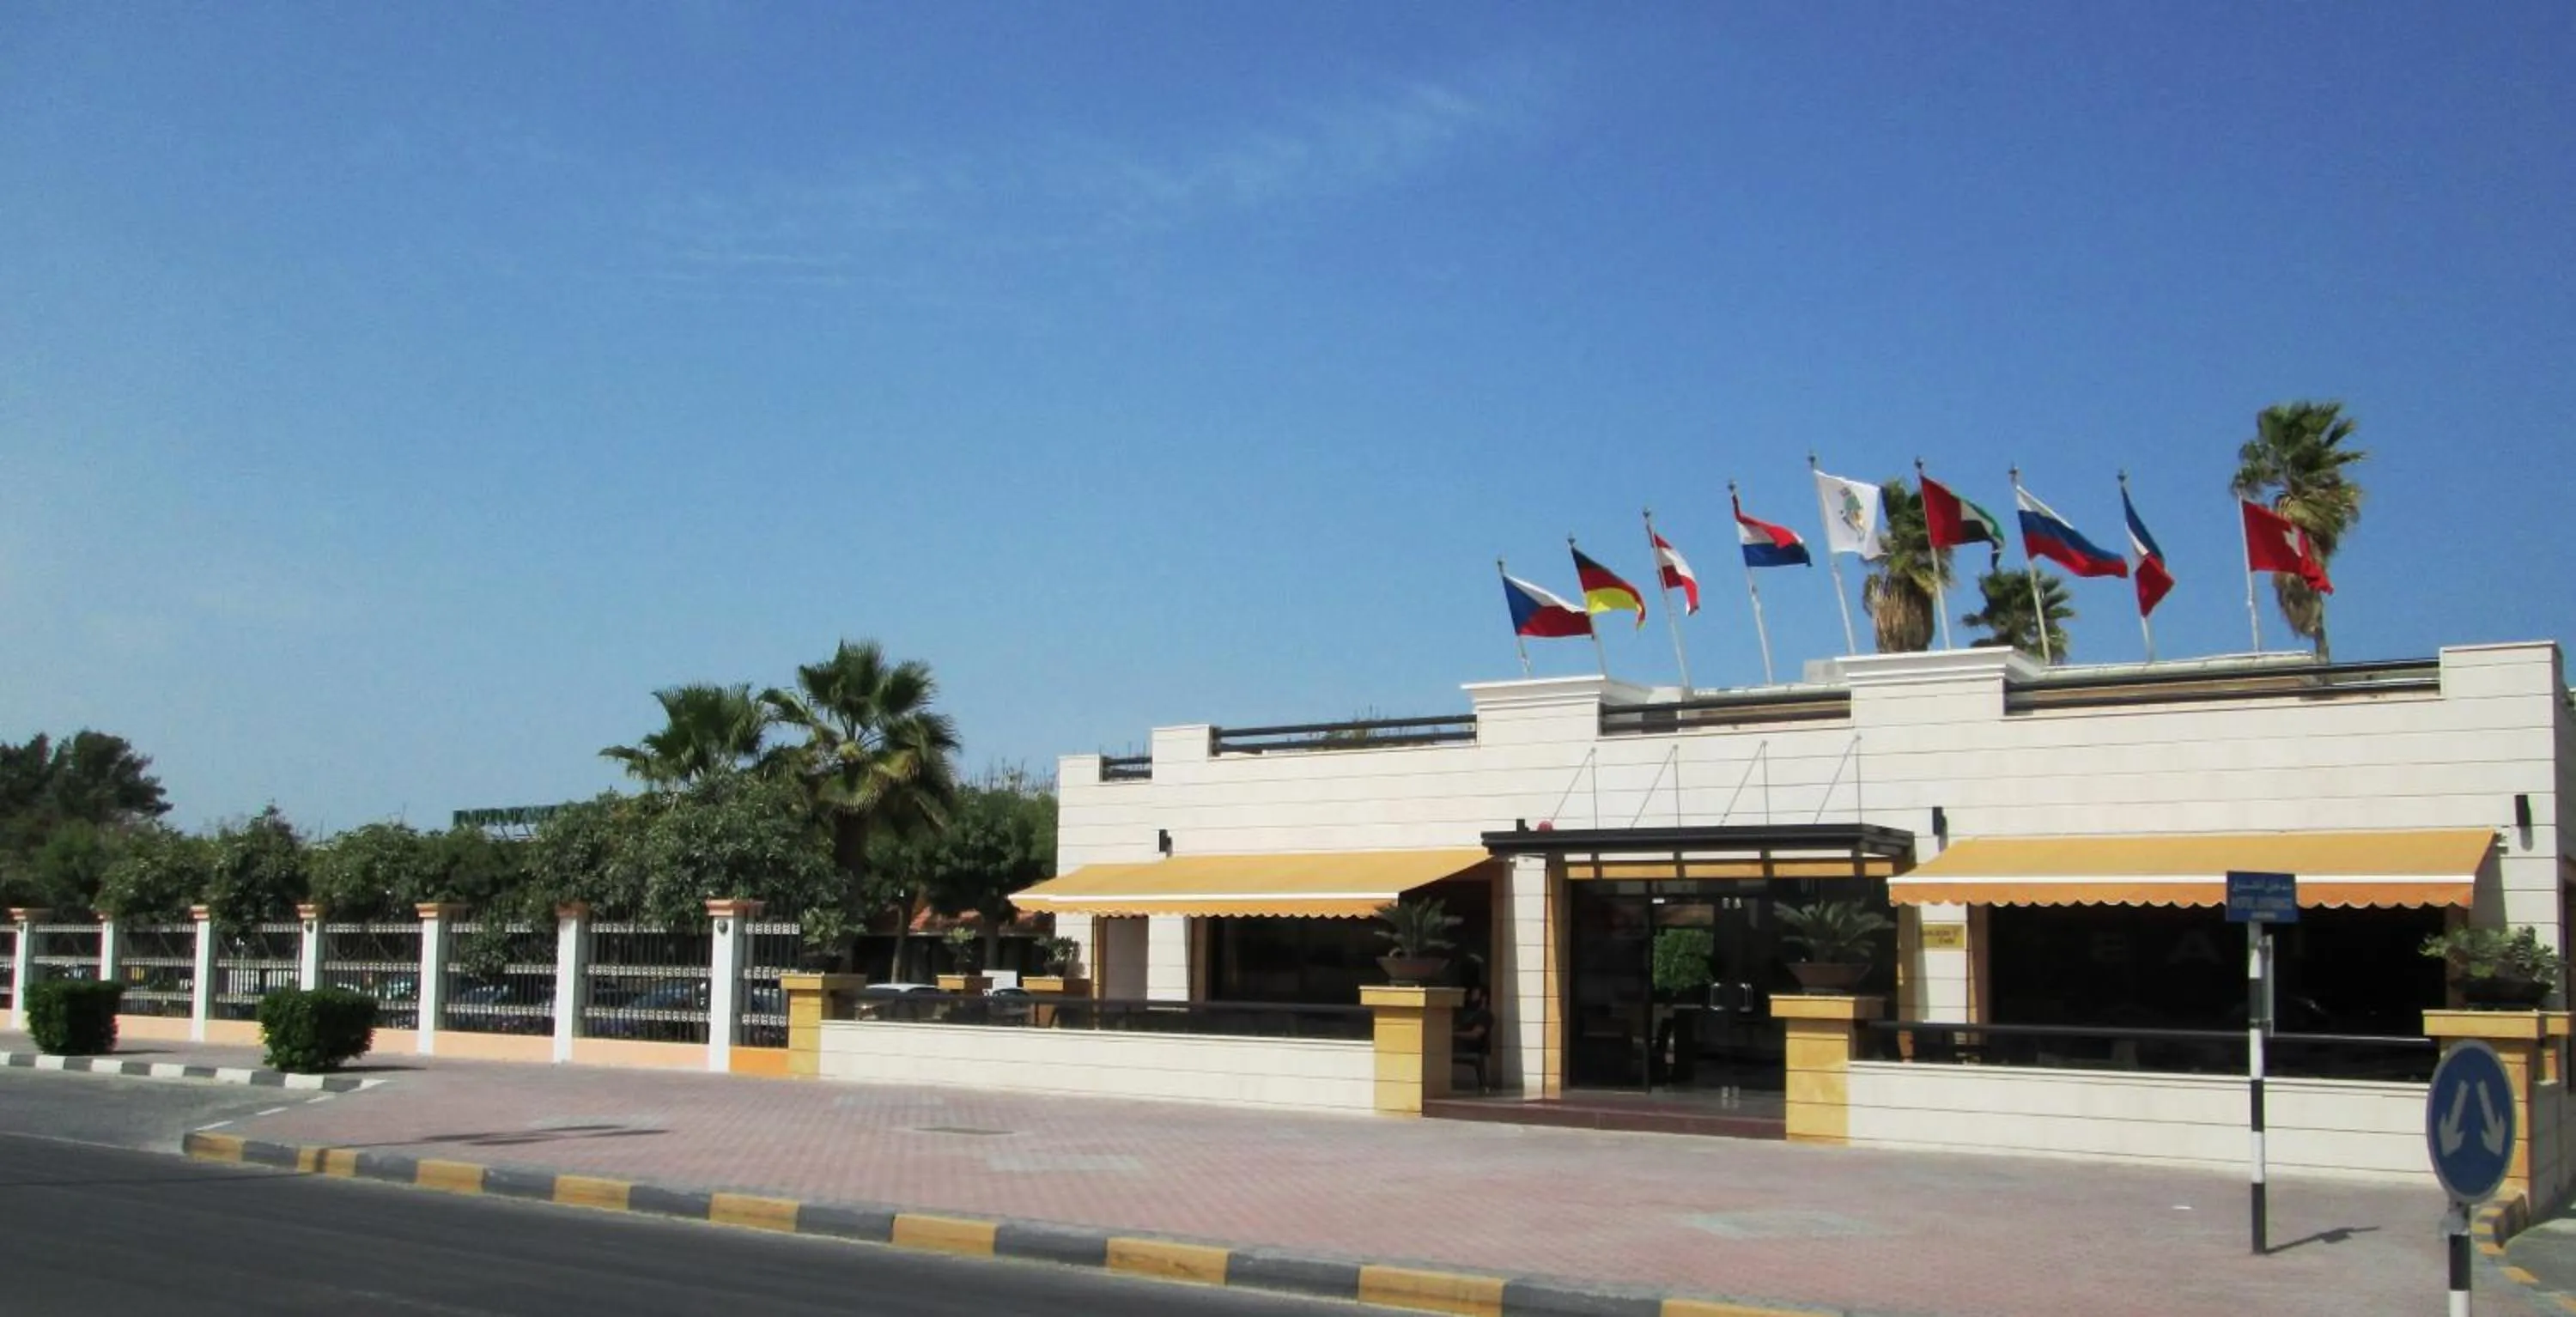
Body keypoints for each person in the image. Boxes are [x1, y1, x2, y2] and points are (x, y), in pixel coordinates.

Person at [1453, 986, 1494, 1091]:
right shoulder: (1467, 1014)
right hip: (1460, 1046)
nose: (1472, 998)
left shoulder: (1485, 1015)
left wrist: (1454, 1034)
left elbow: (1475, 1035)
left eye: (1475, 995)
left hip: (1471, 1048)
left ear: (1483, 998)